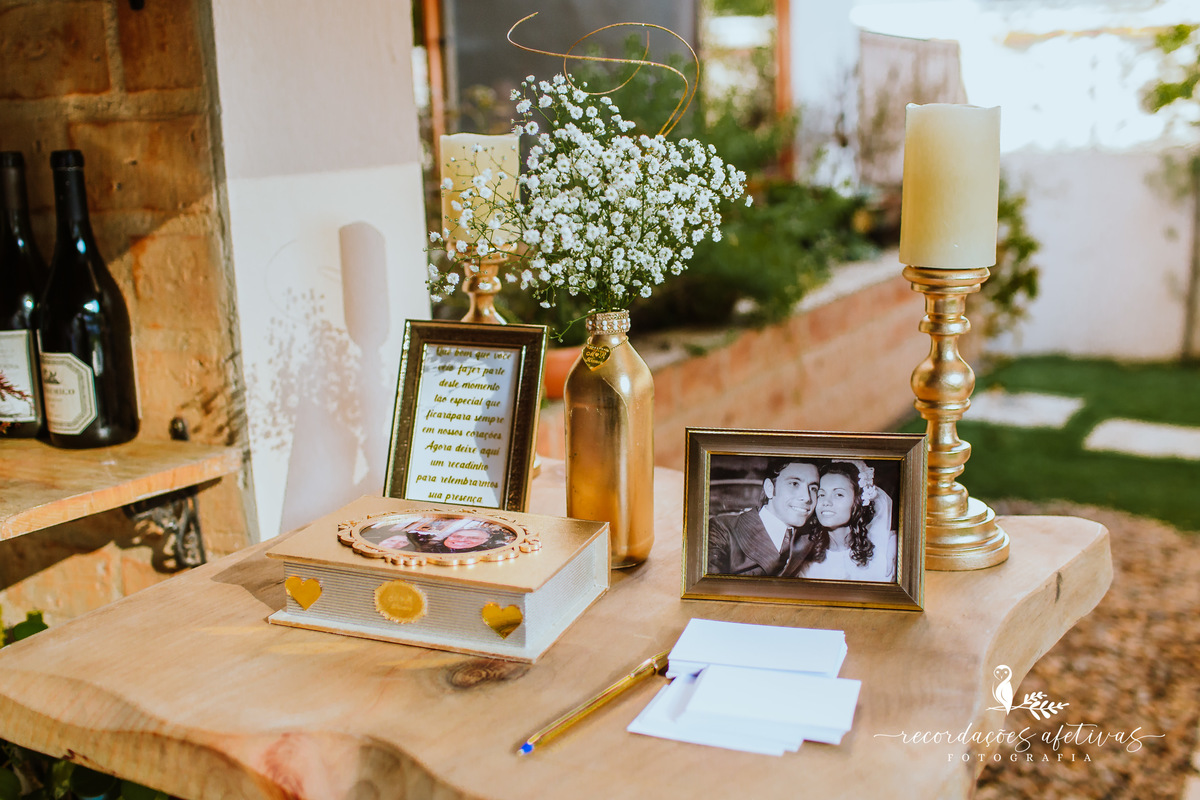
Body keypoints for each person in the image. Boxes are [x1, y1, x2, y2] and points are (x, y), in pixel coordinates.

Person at [707, 458, 821, 577]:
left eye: (813, 488)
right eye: (794, 484)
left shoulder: (812, 538)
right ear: (769, 488)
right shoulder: (724, 531)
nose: (807, 497)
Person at [799, 460, 897, 583]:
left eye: (839, 494)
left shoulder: (884, 552)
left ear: (857, 502)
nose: (826, 502)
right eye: (821, 495)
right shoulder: (804, 559)